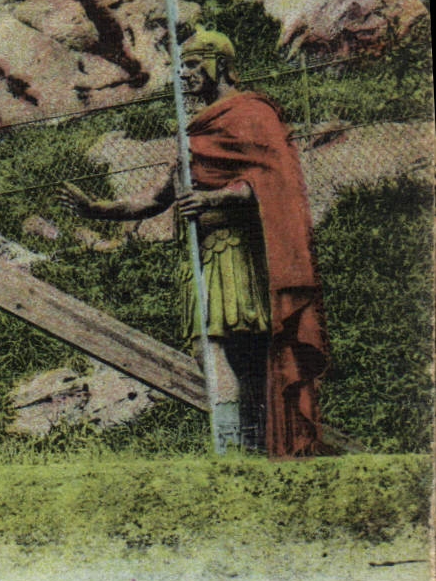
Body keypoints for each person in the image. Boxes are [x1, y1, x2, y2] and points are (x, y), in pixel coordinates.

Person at [58, 30, 327, 457]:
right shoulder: (197, 133)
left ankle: (243, 451)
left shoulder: (251, 115)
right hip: (203, 256)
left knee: (237, 354)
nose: (182, 75)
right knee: (219, 354)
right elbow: (154, 199)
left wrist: (213, 197)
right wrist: (96, 208)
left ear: (217, 64)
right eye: (179, 66)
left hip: (238, 252)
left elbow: (271, 181)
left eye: (191, 64)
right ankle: (243, 447)